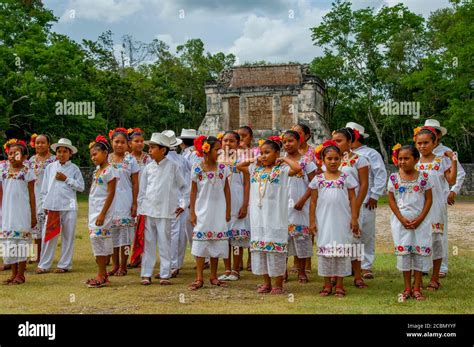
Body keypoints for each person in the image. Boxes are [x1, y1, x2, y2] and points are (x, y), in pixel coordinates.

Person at [237, 136, 302, 295]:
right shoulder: (255, 169)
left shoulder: (281, 170)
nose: (264, 156)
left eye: (267, 153)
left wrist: (283, 159)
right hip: (258, 218)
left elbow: (298, 168)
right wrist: (254, 159)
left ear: (277, 153)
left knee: (275, 250)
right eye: (262, 152)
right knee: (262, 251)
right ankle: (266, 283)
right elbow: (239, 165)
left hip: (275, 217)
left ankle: (278, 284)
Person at [309, 140, 359, 298]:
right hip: (324, 221)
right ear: (322, 160)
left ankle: (339, 284)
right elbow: (313, 201)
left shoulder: (346, 177)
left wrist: (354, 218)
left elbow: (353, 199)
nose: (333, 161)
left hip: (342, 221)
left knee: (341, 249)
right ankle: (326, 284)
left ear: (341, 159)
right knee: (326, 250)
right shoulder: (318, 179)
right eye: (329, 159)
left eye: (336, 158)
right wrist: (311, 221)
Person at [138, 133, 187, 285]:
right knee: (149, 242)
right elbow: (142, 191)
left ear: (163, 150)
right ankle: (146, 273)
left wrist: (182, 204)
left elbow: (185, 187)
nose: (150, 150)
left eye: (153, 148)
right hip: (149, 210)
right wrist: (140, 210)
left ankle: (165, 274)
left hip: (166, 211)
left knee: (165, 243)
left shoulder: (173, 167)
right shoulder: (148, 168)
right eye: (150, 147)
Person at [413, 126, 457, 291]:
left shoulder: (441, 161)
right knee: (418, 240)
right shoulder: (414, 162)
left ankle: (435, 277)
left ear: (434, 143)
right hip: (417, 207)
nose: (422, 146)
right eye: (419, 143)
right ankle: (420, 275)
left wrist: (453, 160)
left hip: (436, 206)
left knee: (436, 240)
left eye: (426, 143)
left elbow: (451, 179)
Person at [388, 144, 433, 301]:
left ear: (415, 159)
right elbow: (391, 199)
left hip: (421, 221)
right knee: (405, 253)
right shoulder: (394, 178)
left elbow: (428, 199)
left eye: (406, 158)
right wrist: (401, 219)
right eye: (400, 158)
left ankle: (417, 287)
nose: (402, 161)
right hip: (401, 222)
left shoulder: (424, 177)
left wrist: (420, 218)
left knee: (418, 253)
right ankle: (407, 287)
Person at [423, 119, 466, 277]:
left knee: (439, 232)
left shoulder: (446, 152)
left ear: (438, 135)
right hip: (420, 199)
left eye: (434, 130)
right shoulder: (420, 151)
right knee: (423, 232)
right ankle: (425, 265)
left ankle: (441, 267)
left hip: (438, 197)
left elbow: (459, 173)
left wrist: (453, 191)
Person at [188, 136, 231, 290]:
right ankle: (199, 277)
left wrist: (228, 210)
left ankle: (213, 276)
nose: (220, 151)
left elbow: (227, 190)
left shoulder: (223, 169)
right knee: (201, 242)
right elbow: (193, 192)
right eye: (217, 149)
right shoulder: (197, 168)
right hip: (202, 210)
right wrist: (192, 212)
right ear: (206, 150)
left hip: (218, 210)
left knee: (215, 242)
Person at [36, 138, 84, 274]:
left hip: (69, 207)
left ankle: (64, 265)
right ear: (56, 153)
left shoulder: (74, 169)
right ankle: (44, 264)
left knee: (68, 236)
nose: (61, 154)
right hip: (52, 206)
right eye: (59, 151)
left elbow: (81, 187)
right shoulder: (50, 167)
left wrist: (66, 179)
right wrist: (44, 204)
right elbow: (44, 188)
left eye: (64, 151)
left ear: (70, 153)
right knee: (49, 235)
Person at [346, 122, 387, 279]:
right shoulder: (343, 154)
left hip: (365, 199)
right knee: (350, 233)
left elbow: (380, 174)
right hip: (347, 200)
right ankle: (351, 263)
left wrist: (375, 195)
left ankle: (366, 265)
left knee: (366, 233)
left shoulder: (370, 153)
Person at [332, 127, 369, 289]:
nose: (335, 143)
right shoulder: (330, 159)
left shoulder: (360, 160)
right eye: (334, 140)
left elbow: (364, 184)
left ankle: (358, 275)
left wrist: (357, 207)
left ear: (349, 142)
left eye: (339, 140)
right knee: (334, 237)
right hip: (334, 206)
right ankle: (334, 273)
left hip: (352, 204)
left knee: (354, 239)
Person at [0, 139, 36, 285]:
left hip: (22, 212)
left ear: (23, 156)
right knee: (9, 242)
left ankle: (21, 274)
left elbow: (32, 195)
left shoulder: (28, 171)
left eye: (16, 153)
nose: (12, 156)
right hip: (7, 212)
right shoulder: (2, 171)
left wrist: (33, 215)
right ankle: (13, 273)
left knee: (21, 242)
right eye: (10, 153)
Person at [282, 130, 316, 283]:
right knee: (282, 238)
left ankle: (302, 271)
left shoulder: (307, 162)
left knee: (301, 238)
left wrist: (303, 200)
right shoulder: (279, 162)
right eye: (285, 142)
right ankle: (282, 271)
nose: (287, 144)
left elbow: (314, 184)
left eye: (291, 141)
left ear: (299, 142)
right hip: (283, 206)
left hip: (301, 206)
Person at [218, 131, 250, 282]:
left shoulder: (243, 161)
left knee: (236, 237)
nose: (227, 144)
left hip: (237, 203)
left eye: (231, 141)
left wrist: (245, 204)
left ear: (238, 144)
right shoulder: (216, 160)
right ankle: (227, 268)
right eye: (225, 141)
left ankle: (236, 270)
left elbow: (247, 183)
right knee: (224, 238)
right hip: (221, 203)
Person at [108, 128, 139, 277]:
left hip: (126, 201)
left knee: (125, 236)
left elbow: (135, 183)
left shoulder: (130, 160)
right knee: (113, 235)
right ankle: (114, 265)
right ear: (111, 142)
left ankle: (123, 265)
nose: (119, 145)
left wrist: (135, 203)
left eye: (122, 142)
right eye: (116, 142)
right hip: (110, 202)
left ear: (127, 144)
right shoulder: (106, 159)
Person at [86, 135, 117, 288]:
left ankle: (101, 273)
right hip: (94, 210)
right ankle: (102, 274)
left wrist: (103, 213)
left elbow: (111, 193)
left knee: (99, 239)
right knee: (96, 239)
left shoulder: (109, 171)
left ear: (105, 153)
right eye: (91, 155)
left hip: (102, 211)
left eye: (95, 154)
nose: (93, 157)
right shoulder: (97, 171)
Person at [162, 130, 190, 278]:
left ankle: (170, 265)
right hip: (182, 201)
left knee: (168, 234)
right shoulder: (183, 160)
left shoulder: (164, 161)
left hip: (168, 201)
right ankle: (176, 263)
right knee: (178, 234)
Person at [28, 134, 56, 263]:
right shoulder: (32, 160)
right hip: (34, 195)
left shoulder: (54, 160)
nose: (40, 145)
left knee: (47, 228)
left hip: (49, 196)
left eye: (42, 142)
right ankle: (35, 255)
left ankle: (45, 256)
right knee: (35, 228)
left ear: (48, 144)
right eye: (37, 143)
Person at [128, 128, 152, 268]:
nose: (139, 144)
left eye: (142, 141)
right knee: (130, 228)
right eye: (136, 141)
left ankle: (140, 256)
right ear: (130, 143)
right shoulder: (127, 158)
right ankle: (130, 255)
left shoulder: (148, 158)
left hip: (145, 196)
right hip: (128, 195)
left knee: (142, 228)